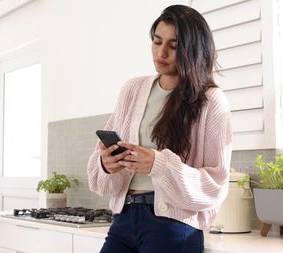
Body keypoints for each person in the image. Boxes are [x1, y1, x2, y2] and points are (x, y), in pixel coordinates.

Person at [86, 5, 232, 253]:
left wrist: (159, 164)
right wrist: (105, 164)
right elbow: (98, 168)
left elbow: (216, 185)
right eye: (157, 41)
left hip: (173, 228)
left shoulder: (211, 100)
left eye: (173, 46)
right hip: (124, 219)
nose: (161, 52)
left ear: (192, 50)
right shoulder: (132, 90)